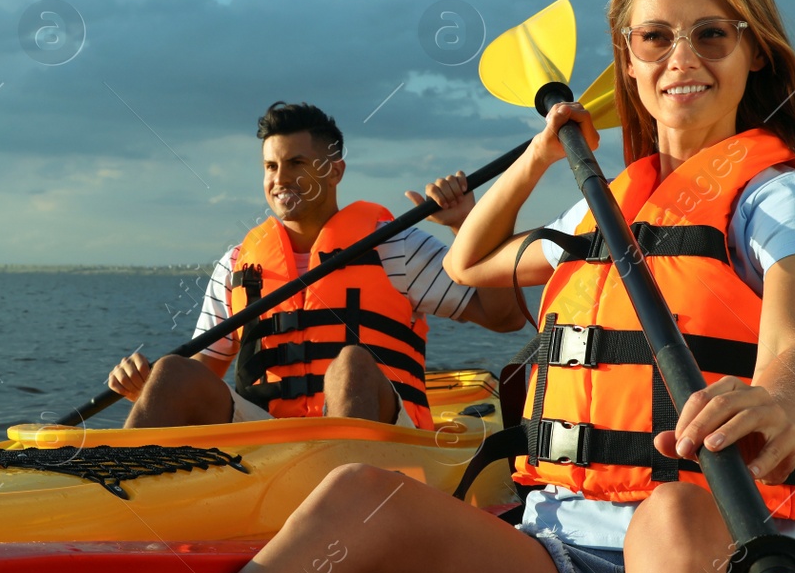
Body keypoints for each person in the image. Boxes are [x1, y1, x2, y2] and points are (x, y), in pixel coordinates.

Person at [154, 0, 795, 573]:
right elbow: (471, 260)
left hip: (717, 560)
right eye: (655, 37)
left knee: (672, 512)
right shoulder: (607, 203)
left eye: (711, 34)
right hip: (563, 567)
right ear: (626, 63)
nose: (682, 57)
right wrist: (539, 154)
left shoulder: (783, 202)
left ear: (754, 52)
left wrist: (777, 398)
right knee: (359, 495)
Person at [107, 101, 529, 430]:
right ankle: (118, 500)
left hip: (387, 442)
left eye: (296, 163)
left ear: (334, 171)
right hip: (268, 441)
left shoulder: (393, 245)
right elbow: (201, 377)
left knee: (351, 366)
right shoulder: (237, 263)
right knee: (171, 372)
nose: (279, 179)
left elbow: (504, 317)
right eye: (271, 166)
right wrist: (148, 390)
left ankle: (345, 503)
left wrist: (467, 228)